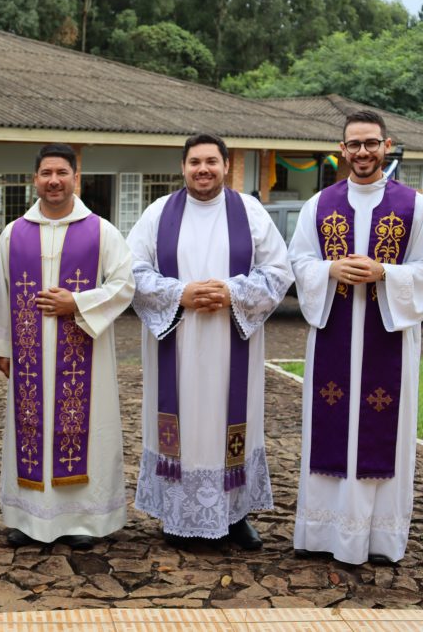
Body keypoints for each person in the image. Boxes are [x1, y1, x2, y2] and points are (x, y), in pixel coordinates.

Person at [290, 110, 423, 565]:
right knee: (330, 428)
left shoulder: (414, 206)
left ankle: (379, 538)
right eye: (354, 144)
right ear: (342, 150)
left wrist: (385, 273)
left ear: (386, 146)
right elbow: (298, 261)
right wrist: (330, 269)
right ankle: (322, 533)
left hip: (389, 339)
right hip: (334, 336)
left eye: (371, 143)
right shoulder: (318, 205)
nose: (363, 152)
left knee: (383, 433)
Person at [126, 133, 292, 550]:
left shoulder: (250, 212)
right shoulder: (158, 213)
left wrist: (233, 292)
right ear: (183, 167)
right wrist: (178, 293)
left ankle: (235, 516)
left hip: (230, 342)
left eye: (211, 162)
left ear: (225, 166)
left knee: (231, 425)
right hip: (176, 341)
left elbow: (279, 270)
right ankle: (177, 513)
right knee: (180, 425)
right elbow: (131, 270)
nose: (203, 169)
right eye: (195, 162)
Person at [0, 143, 133, 550]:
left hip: (84, 355)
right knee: (29, 429)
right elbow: (0, 291)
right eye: (46, 173)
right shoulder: (14, 233)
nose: (54, 180)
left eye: (62, 172)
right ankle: (27, 518)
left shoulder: (102, 231)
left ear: (75, 178)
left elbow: (124, 286)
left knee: (84, 431)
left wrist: (78, 303)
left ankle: (82, 519)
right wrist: (2, 346)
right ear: (35, 179)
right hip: (29, 356)